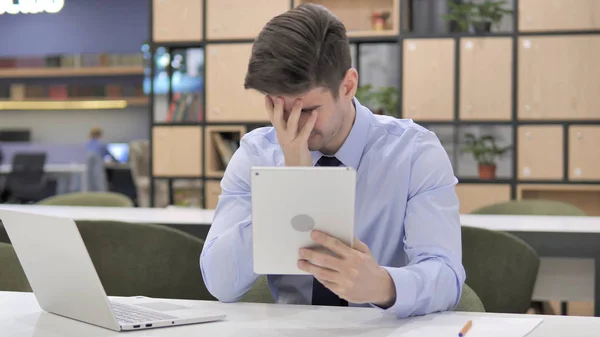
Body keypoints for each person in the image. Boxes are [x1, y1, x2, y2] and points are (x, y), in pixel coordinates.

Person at [200, 3, 465, 318]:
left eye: (308, 110)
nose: (292, 124)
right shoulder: (256, 154)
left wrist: (383, 285)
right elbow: (220, 283)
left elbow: (446, 275)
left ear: (348, 86)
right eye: (277, 107)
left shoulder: (414, 153)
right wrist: (293, 181)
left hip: (380, 330)